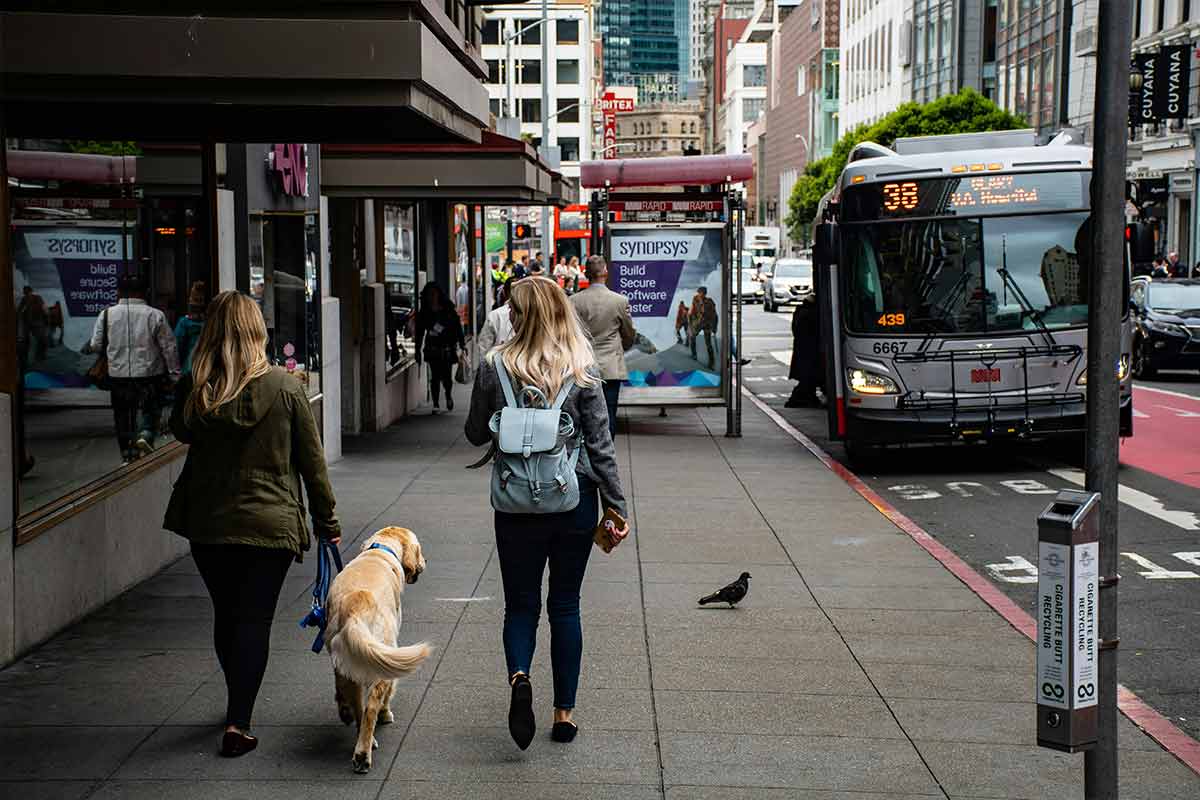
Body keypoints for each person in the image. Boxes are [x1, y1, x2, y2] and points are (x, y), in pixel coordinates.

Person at [164, 290, 340, 758]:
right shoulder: (285, 387)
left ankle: (235, 701)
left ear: (212, 334)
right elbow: (312, 463)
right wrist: (328, 521)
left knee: (227, 613)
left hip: (210, 522)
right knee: (254, 618)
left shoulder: (196, 388)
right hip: (269, 524)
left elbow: (178, 431)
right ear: (258, 331)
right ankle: (239, 720)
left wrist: (198, 374)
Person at [464, 276, 630, 749]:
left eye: (513, 310)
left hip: (515, 505)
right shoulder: (584, 369)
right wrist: (616, 505)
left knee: (520, 605)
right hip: (573, 500)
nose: (510, 315)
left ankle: (520, 678)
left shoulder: (494, 366)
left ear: (524, 315)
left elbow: (476, 433)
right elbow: (602, 448)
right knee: (565, 604)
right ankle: (563, 714)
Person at [87, 273, 180, 463]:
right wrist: (174, 375)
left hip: (118, 375)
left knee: (122, 414)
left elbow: (96, 345)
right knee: (150, 408)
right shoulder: (155, 315)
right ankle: (145, 435)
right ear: (144, 292)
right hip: (149, 374)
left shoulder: (106, 314)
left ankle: (127, 454)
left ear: (118, 292)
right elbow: (169, 347)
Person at [570, 255, 636, 437]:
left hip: (582, 365)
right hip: (610, 367)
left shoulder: (574, 301)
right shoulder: (619, 301)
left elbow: (569, 334)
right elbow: (629, 333)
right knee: (608, 415)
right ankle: (607, 455)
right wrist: (623, 347)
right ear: (605, 272)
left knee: (583, 414)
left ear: (585, 273)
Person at [414, 282, 466, 412]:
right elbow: (419, 332)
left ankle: (448, 395)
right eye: (429, 295)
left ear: (438, 294)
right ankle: (436, 403)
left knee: (447, 376)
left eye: (434, 294)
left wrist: (462, 343)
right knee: (435, 377)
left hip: (447, 346)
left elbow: (457, 326)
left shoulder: (448, 308)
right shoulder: (424, 312)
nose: (432, 297)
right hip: (432, 348)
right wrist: (417, 350)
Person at [785, 295, 821, 407]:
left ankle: (807, 398)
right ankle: (801, 399)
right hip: (809, 350)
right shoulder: (810, 314)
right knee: (809, 377)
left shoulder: (800, 312)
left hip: (802, 349)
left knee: (807, 378)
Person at [173, 282, 208, 375]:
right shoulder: (212, 322)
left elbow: (177, 346)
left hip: (189, 368)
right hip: (208, 367)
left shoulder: (184, 323)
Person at [17, 286, 50, 365]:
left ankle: (41, 355)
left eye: (28, 292)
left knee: (42, 339)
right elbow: (20, 310)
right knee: (26, 341)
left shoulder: (37, 298)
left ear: (31, 292)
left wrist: (46, 318)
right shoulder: (24, 299)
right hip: (29, 323)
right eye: (25, 292)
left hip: (37, 322)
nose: (27, 294)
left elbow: (44, 309)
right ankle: (28, 358)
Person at [689, 286, 718, 369]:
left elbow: (715, 315)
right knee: (692, 337)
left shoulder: (710, 302)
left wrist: (715, 328)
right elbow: (692, 311)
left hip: (707, 324)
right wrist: (691, 321)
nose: (699, 294)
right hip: (698, 323)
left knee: (708, 344)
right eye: (699, 292)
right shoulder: (695, 299)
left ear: (704, 293)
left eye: (701, 293)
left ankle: (711, 363)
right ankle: (694, 354)